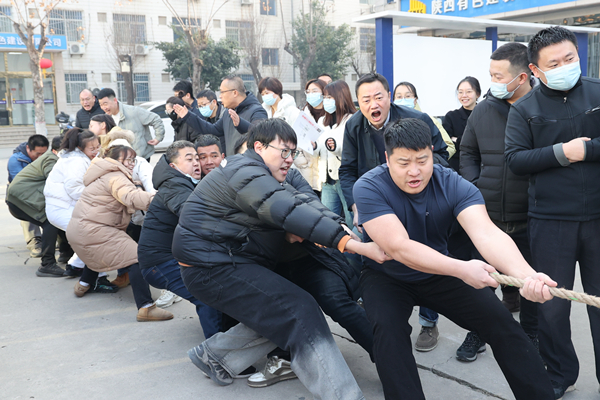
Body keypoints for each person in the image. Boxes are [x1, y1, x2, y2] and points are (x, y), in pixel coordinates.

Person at [173, 118, 389, 399]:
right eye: (283, 151)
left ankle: (215, 356)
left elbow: (303, 202)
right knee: (300, 310)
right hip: (211, 267)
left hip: (227, 260)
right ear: (259, 147)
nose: (289, 159)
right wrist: (354, 246)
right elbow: (287, 211)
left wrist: (340, 226)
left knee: (284, 312)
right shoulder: (247, 172)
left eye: (293, 152)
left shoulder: (268, 173)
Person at [354, 117, 555, 400]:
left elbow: (487, 234)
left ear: (432, 153)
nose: (415, 171)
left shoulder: (451, 182)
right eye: (404, 163)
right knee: (388, 335)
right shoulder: (369, 187)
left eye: (422, 160)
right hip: (387, 276)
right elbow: (398, 248)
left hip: (441, 272)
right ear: (387, 159)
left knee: (504, 325)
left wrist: (526, 275)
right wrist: (462, 268)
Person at [505, 26, 600, 400]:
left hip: (598, 217)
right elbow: (515, 160)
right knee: (552, 307)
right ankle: (561, 373)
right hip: (551, 221)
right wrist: (563, 152)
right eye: (554, 63)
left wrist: (587, 150)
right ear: (536, 70)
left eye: (570, 59)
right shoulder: (525, 109)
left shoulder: (597, 92)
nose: (565, 67)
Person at [338, 73, 449, 351]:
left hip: (415, 201)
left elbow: (443, 158)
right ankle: (391, 320)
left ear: (389, 96)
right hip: (375, 206)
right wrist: (357, 203)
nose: (373, 104)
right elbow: (347, 170)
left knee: (425, 258)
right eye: (365, 100)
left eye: (378, 97)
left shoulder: (417, 119)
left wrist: (414, 174)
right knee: (380, 260)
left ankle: (428, 322)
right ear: (359, 103)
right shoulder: (353, 125)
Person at [459, 42, 538, 363]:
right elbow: (467, 151)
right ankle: (480, 331)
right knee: (482, 281)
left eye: (497, 75)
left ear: (521, 76)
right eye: (489, 74)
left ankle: (531, 333)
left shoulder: (541, 109)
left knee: (530, 281)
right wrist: (475, 185)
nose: (491, 81)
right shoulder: (483, 109)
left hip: (533, 215)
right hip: (487, 217)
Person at [67, 145, 172, 321]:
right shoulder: (116, 176)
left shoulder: (102, 174)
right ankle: (146, 308)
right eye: (128, 159)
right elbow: (130, 196)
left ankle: (83, 285)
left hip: (81, 231)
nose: (132, 163)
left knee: (100, 252)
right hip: (95, 231)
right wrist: (160, 200)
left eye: (133, 159)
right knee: (137, 257)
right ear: (116, 160)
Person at [138, 140, 223, 338]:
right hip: (160, 263)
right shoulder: (174, 186)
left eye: (196, 158)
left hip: (171, 257)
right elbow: (193, 215)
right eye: (189, 159)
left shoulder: (186, 182)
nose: (196, 163)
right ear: (173, 166)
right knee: (207, 295)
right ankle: (218, 355)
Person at [6, 137, 70, 277]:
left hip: (27, 197)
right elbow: (56, 182)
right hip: (20, 200)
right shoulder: (52, 160)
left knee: (57, 219)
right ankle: (47, 264)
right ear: (56, 151)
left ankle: (66, 253)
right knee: (50, 222)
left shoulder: (54, 158)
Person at [44, 129, 101, 279]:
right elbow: (75, 189)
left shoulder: (80, 157)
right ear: (81, 148)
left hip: (66, 206)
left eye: (98, 146)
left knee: (92, 235)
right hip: (61, 208)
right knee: (92, 235)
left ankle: (76, 266)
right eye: (92, 148)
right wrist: (100, 196)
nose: (96, 151)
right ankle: (99, 276)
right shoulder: (75, 161)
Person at [173, 75, 267, 156]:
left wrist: (240, 124)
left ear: (235, 93)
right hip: (232, 165)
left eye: (222, 92)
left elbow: (260, 135)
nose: (220, 96)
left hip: (250, 168)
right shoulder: (228, 112)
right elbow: (213, 130)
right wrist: (188, 116)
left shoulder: (257, 110)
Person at [314, 80, 356, 227]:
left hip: (344, 179)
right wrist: (313, 145)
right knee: (327, 221)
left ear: (340, 97)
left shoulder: (351, 119)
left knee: (352, 220)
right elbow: (319, 146)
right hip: (327, 180)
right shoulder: (321, 121)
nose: (326, 101)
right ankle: (332, 250)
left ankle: (355, 249)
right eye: (325, 97)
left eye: (330, 97)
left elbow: (350, 147)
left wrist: (334, 146)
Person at [7, 134, 49, 258]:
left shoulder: (49, 157)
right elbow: (20, 185)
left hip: (41, 191)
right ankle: (34, 242)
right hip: (21, 196)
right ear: (28, 149)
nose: (40, 157)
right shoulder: (16, 160)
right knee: (29, 208)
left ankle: (54, 238)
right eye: (37, 154)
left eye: (44, 154)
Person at [97, 88, 165, 161]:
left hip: (140, 157)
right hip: (120, 159)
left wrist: (158, 137)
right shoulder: (107, 119)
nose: (104, 107)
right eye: (101, 105)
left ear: (115, 100)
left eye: (105, 104)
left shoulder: (133, 111)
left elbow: (155, 119)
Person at [393, 81, 456, 158]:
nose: (403, 100)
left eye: (408, 96)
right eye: (399, 97)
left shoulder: (427, 119)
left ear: (415, 100)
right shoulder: (389, 122)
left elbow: (449, 146)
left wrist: (430, 162)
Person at [444, 76, 481, 171]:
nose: (464, 95)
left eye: (469, 92)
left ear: (478, 94)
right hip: (456, 167)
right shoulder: (451, 117)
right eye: (460, 92)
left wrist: (458, 139)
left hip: (481, 165)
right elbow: (447, 143)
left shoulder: (485, 115)